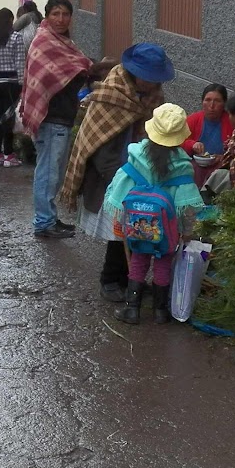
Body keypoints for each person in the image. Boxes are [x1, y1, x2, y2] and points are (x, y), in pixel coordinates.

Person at [58, 43, 173, 300]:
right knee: (119, 231)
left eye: (157, 79)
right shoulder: (110, 95)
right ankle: (110, 280)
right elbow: (96, 144)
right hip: (110, 173)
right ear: (135, 74)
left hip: (142, 173)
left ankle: (130, 280)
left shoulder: (153, 96)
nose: (154, 85)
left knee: (137, 230)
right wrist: (121, 179)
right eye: (149, 79)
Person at [102, 103, 205, 324]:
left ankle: (132, 309)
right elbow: (186, 204)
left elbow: (120, 188)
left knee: (138, 260)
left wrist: (120, 220)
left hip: (138, 224)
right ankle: (160, 311)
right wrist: (186, 231)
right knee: (163, 263)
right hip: (167, 229)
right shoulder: (182, 165)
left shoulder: (137, 156)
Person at [20, 0, 91, 238]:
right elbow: (64, 75)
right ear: (47, 16)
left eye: (65, 14)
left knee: (55, 174)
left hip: (62, 117)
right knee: (48, 173)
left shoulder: (64, 42)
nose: (61, 19)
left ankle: (50, 218)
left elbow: (76, 69)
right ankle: (43, 223)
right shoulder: (44, 42)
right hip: (50, 119)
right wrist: (87, 70)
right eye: (55, 14)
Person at [0, 8, 28, 166]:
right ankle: (9, 154)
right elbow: (20, 62)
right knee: (9, 118)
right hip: (12, 82)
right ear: (10, 20)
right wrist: (22, 83)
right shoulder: (16, 37)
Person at [185, 83, 233, 162]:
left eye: (217, 101)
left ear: (224, 104)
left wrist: (224, 158)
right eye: (208, 100)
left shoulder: (231, 122)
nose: (211, 106)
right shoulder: (193, 120)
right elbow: (178, 142)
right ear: (202, 102)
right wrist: (192, 144)